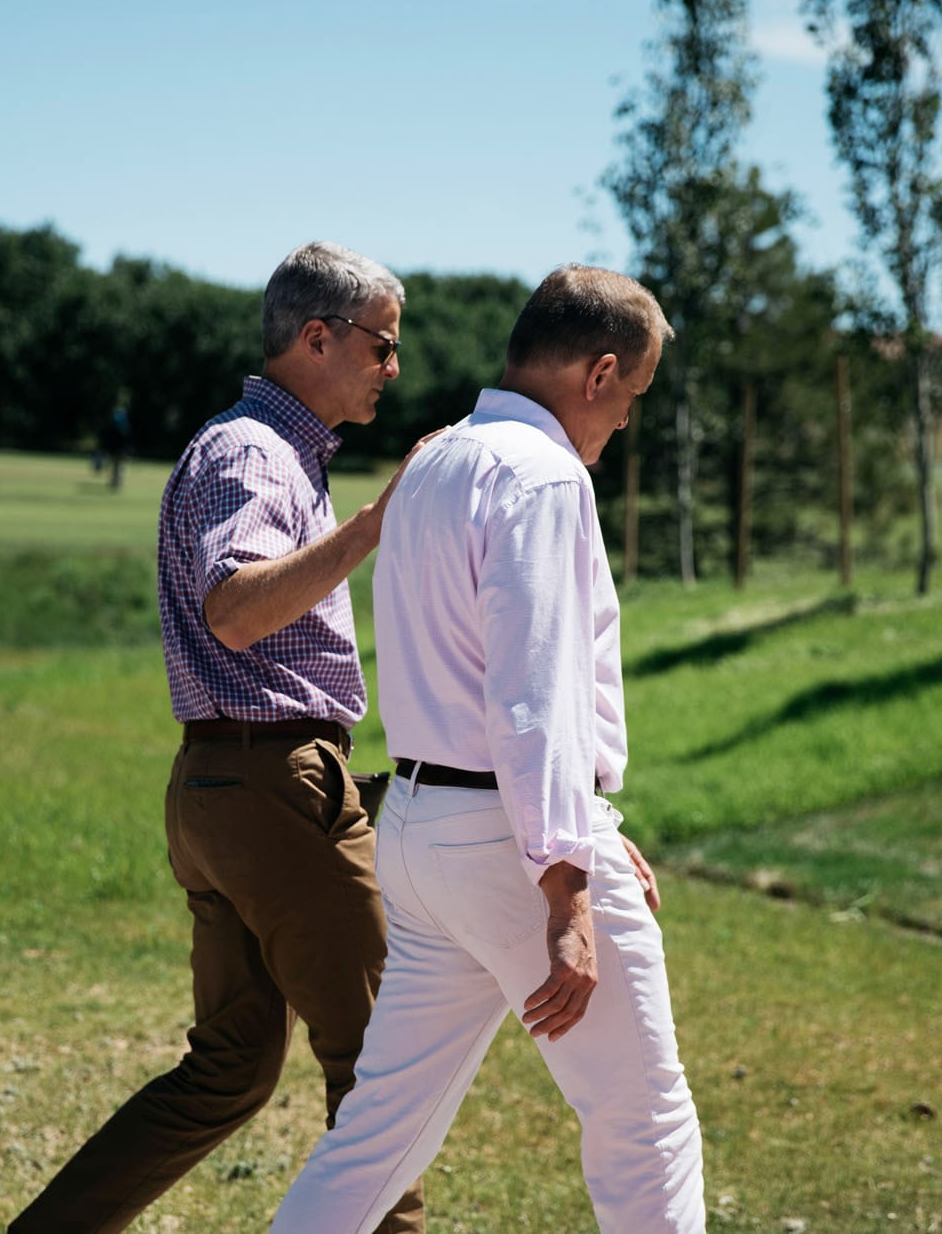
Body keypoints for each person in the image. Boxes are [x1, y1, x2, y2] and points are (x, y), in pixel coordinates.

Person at [271, 265, 706, 1233]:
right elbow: (533, 690)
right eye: (629, 397)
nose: (624, 422)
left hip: (421, 834)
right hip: (509, 845)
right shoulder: (546, 476)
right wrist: (566, 876)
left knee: (379, 1132)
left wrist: (591, 826)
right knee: (646, 1125)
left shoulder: (433, 462)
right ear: (598, 372)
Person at [9, 241, 431, 1234]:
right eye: (380, 346)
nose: (392, 368)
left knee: (232, 1070)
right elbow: (236, 610)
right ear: (315, 336)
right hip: (272, 785)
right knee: (381, 1068)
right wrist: (372, 528)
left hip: (225, 792)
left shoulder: (272, 452)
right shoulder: (249, 451)